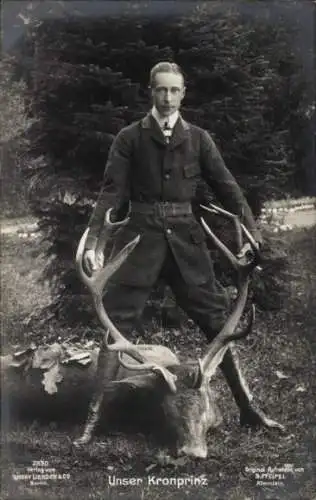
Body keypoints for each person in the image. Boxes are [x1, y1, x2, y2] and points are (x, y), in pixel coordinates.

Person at [76, 61, 283, 446]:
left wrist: (252, 234)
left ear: (183, 94)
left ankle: (248, 408)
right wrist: (96, 244)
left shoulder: (199, 139)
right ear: (150, 92)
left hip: (187, 245)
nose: (168, 97)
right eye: (161, 90)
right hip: (139, 243)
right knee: (115, 326)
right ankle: (94, 421)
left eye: (174, 91)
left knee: (219, 323)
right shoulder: (129, 138)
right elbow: (110, 194)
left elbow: (228, 188)